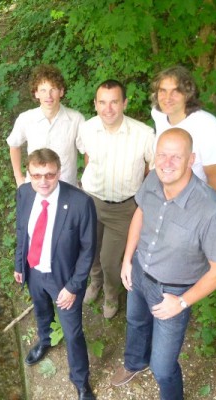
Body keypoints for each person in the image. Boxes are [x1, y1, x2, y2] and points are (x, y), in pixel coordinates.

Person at [110, 128, 216, 400]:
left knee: (163, 367)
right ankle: (134, 363)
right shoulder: (154, 178)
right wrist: (128, 259)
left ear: (191, 160)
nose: (166, 163)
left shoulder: (211, 211)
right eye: (162, 155)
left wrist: (181, 303)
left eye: (175, 157)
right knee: (135, 321)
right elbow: (141, 212)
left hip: (172, 292)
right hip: (140, 272)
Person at [14, 148, 97, 400]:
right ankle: (45, 341)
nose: (43, 181)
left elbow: (88, 250)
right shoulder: (25, 193)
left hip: (64, 278)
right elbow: (22, 232)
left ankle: (81, 382)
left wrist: (73, 287)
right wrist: (19, 264)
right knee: (41, 311)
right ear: (29, 174)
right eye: (36, 175)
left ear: (59, 172)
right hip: (34, 271)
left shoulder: (81, 203)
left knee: (72, 333)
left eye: (49, 175)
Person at [79, 79, 155, 319]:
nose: (108, 108)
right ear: (95, 104)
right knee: (90, 250)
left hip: (123, 210)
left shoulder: (143, 134)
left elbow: (151, 169)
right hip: (90, 202)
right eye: (102, 102)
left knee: (111, 260)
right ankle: (95, 282)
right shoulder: (88, 128)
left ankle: (112, 294)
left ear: (124, 103)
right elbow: (87, 157)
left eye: (114, 102)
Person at [150, 65, 216, 193]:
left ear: (188, 94)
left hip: (191, 201)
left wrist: (199, 211)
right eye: (162, 91)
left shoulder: (209, 128)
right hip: (161, 194)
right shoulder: (158, 114)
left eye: (175, 91)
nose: (167, 98)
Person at [7, 65, 85, 187]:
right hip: (35, 188)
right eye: (43, 90)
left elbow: (88, 151)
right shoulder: (26, 119)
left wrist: (86, 181)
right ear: (36, 93)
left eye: (53, 89)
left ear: (61, 92)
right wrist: (18, 177)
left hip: (67, 188)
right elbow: (14, 145)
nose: (48, 96)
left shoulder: (76, 119)